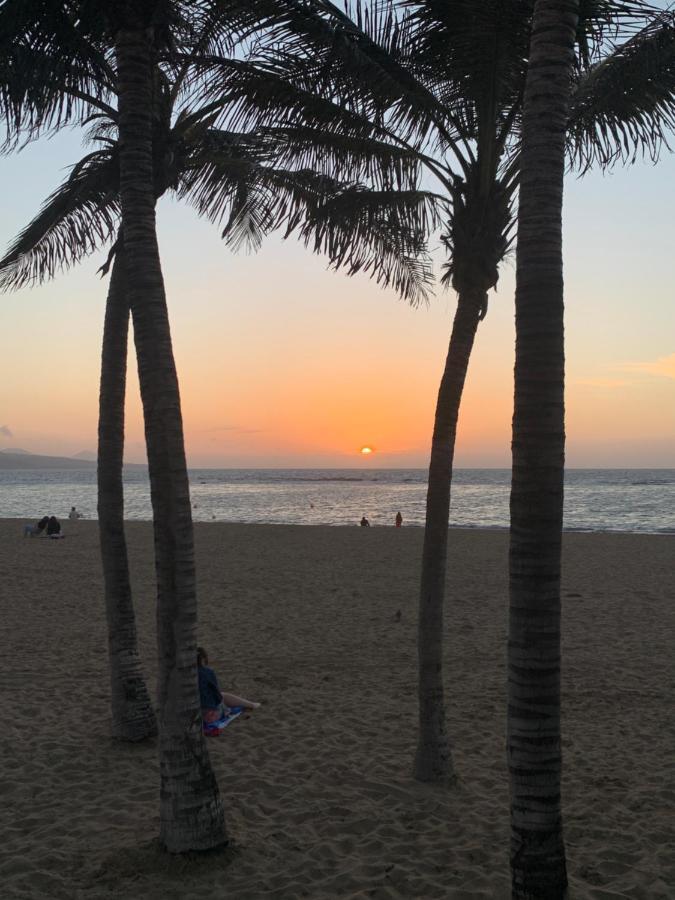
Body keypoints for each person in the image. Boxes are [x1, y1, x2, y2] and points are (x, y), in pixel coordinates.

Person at [197, 647, 260, 724]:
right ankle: (252, 705)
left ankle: (250, 704)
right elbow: (217, 695)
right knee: (223, 696)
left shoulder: (183, 676)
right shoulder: (207, 672)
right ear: (203, 659)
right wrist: (225, 708)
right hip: (209, 716)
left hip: (191, 714)